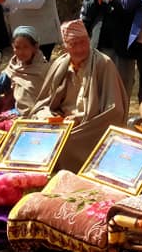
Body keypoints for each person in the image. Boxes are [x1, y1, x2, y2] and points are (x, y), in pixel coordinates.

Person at [27, 20, 127, 168]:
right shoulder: (60, 64)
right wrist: (49, 115)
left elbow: (115, 110)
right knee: (33, 130)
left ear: (89, 40)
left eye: (83, 42)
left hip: (90, 125)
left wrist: (80, 118)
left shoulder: (103, 64)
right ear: (65, 46)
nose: (80, 49)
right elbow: (46, 101)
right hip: (61, 120)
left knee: (64, 143)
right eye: (74, 44)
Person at [79, 0, 138, 98]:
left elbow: (129, 13)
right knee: (95, 92)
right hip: (98, 46)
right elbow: (88, 15)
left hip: (121, 50)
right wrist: (96, 0)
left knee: (119, 93)